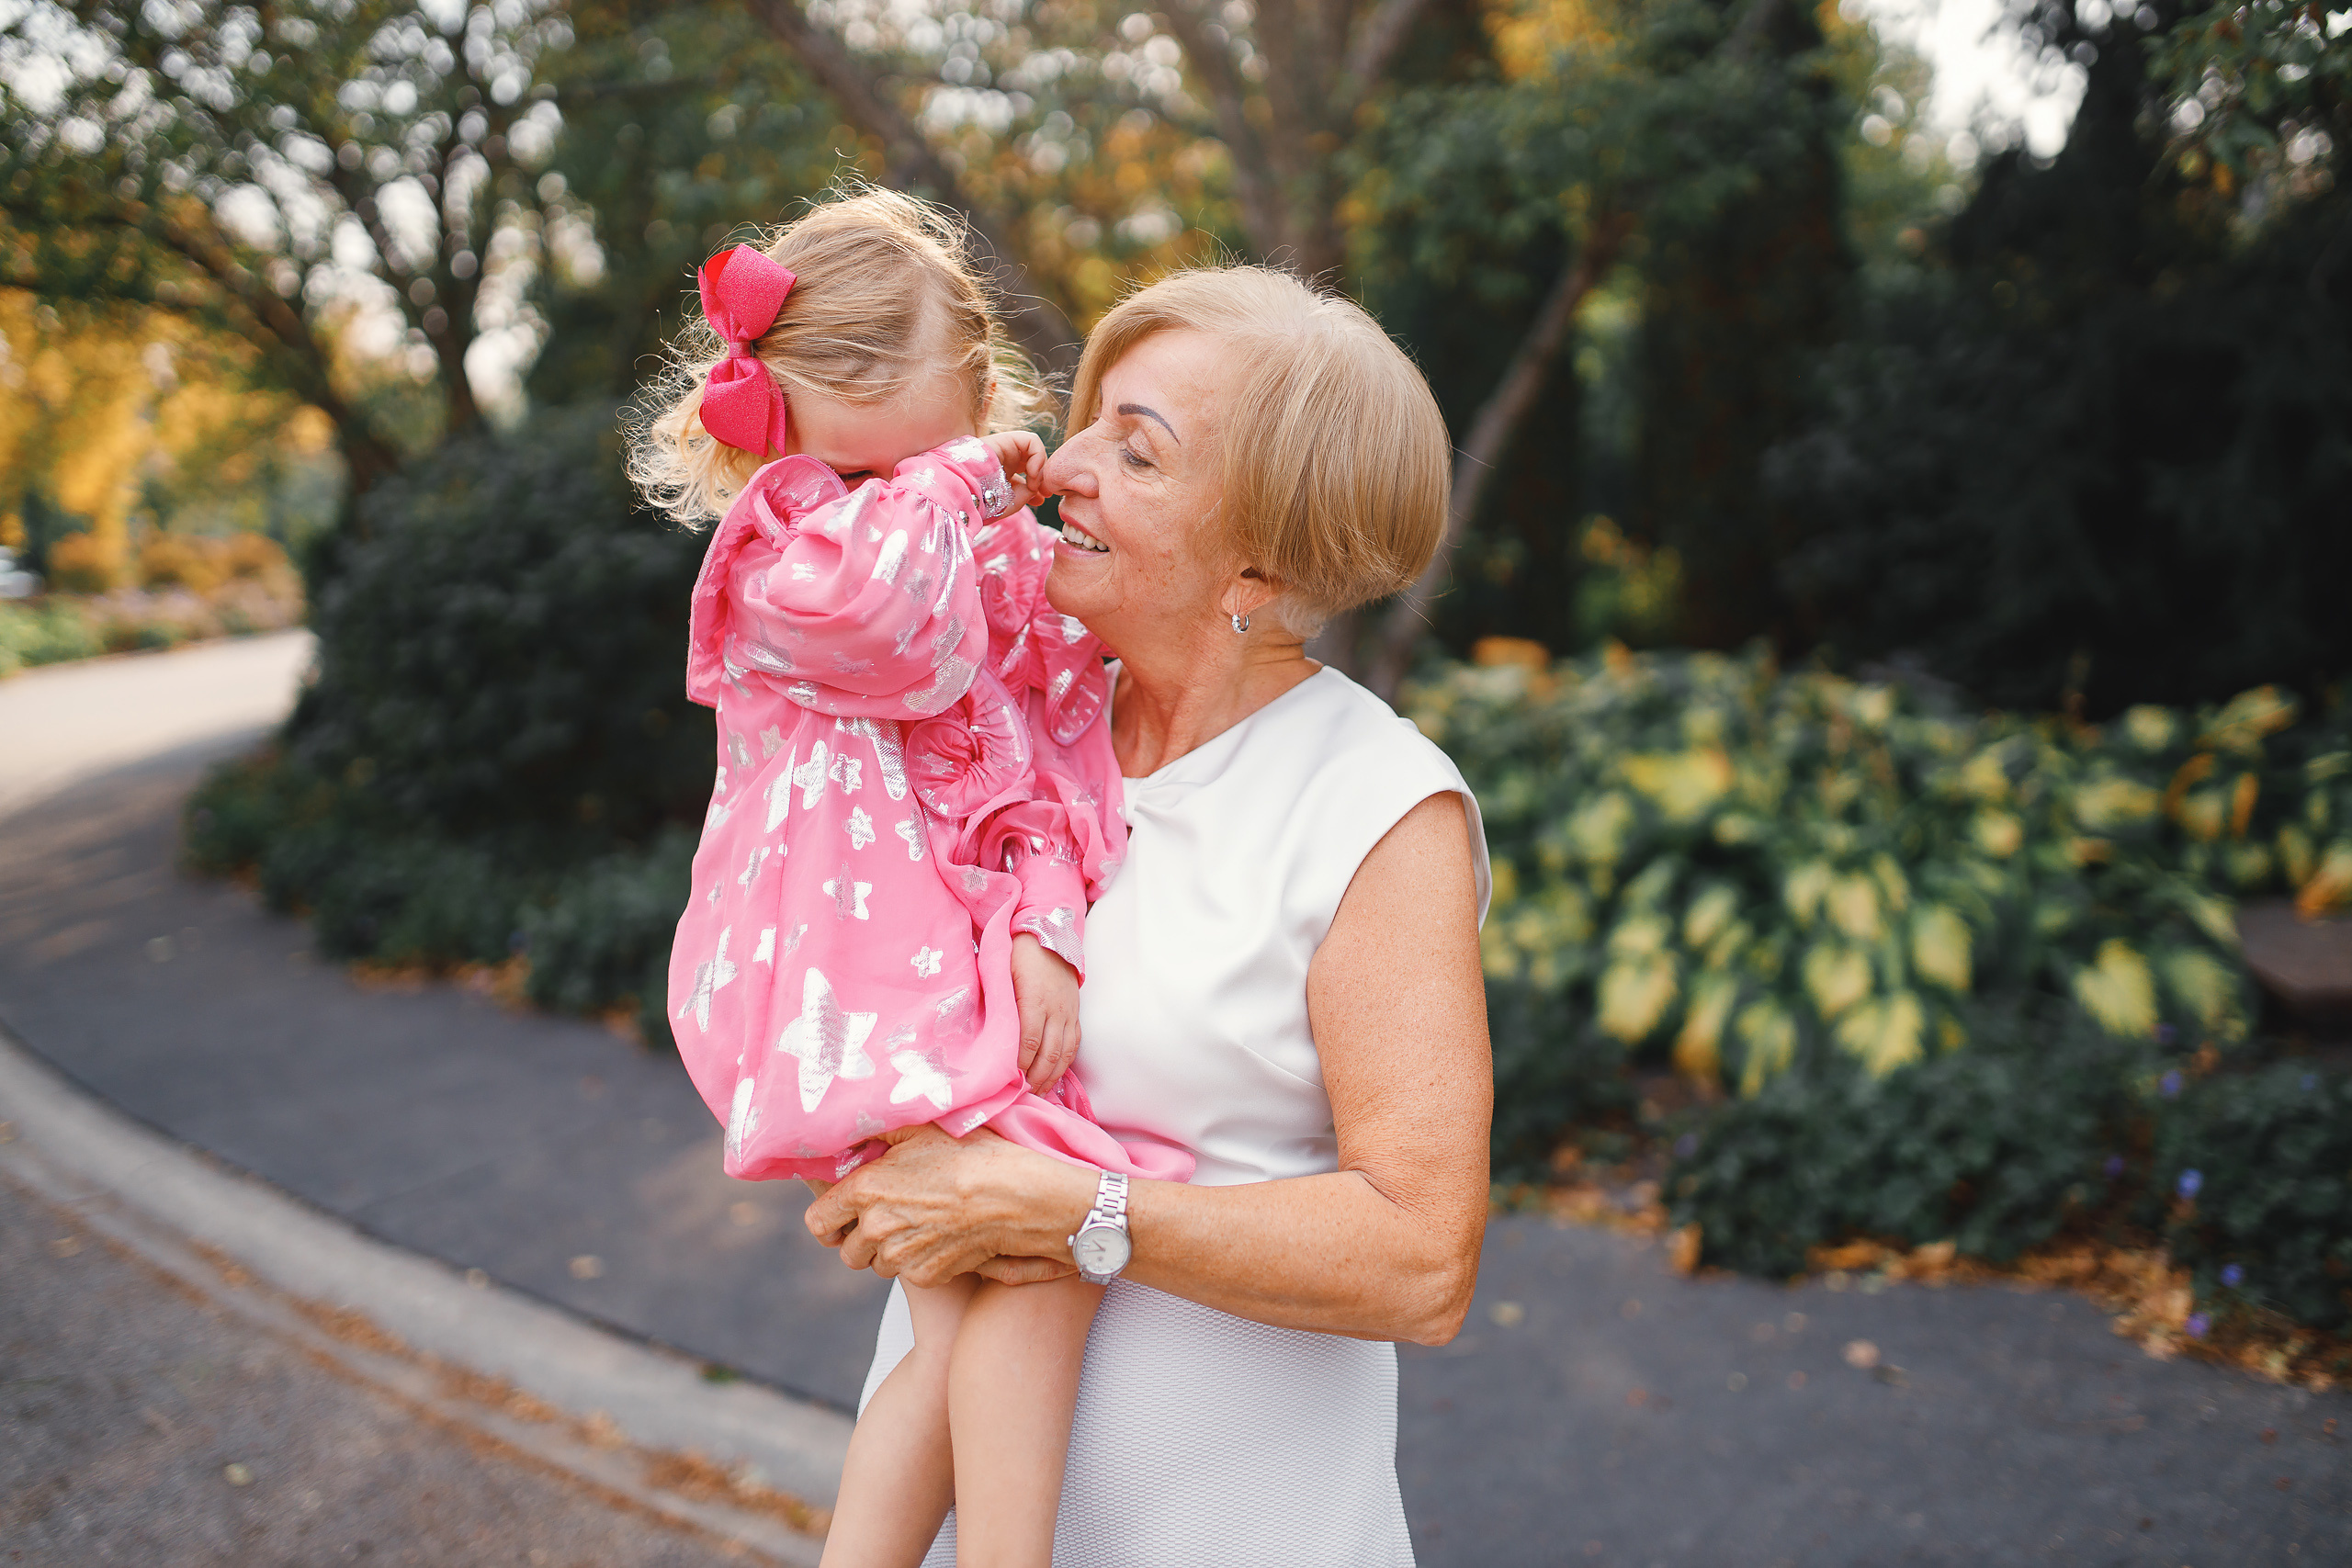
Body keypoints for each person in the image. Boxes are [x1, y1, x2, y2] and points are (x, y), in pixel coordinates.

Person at [808, 265, 1496, 1565]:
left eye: (1136, 451)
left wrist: (1075, 1210)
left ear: (1263, 560)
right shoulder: (1007, 720)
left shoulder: (1373, 807)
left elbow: (1422, 1260)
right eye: (1090, 422)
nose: (1063, 464)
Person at [628, 188, 1192, 1568]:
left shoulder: (972, 546)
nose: (990, 401)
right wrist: (948, 489)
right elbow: (894, 638)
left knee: (981, 1299)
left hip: (947, 961)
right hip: (838, 975)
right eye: (969, 372)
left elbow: (1044, 749)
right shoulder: (787, 549)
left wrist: (1045, 925)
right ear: (859, 385)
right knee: (1039, 1247)